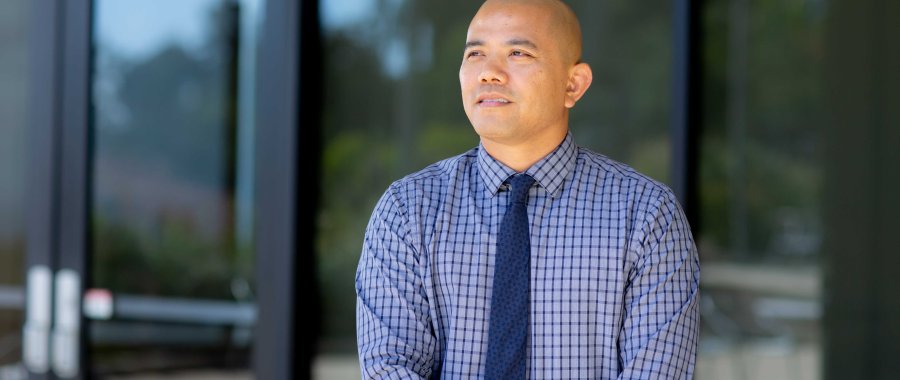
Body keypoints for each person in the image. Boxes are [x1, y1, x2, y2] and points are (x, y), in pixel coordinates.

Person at [355, 0, 700, 378]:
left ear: (574, 84)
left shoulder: (646, 215)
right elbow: (389, 367)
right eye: (475, 54)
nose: (489, 73)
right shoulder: (408, 211)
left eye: (517, 52)